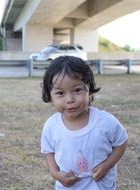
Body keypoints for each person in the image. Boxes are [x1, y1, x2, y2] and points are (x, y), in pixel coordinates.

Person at [40, 56, 127, 190]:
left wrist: (106, 166)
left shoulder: (105, 122)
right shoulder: (51, 126)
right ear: (50, 97)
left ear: (89, 91)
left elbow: (121, 143)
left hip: (101, 185)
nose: (70, 99)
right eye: (60, 93)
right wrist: (55, 173)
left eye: (77, 90)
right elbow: (49, 151)